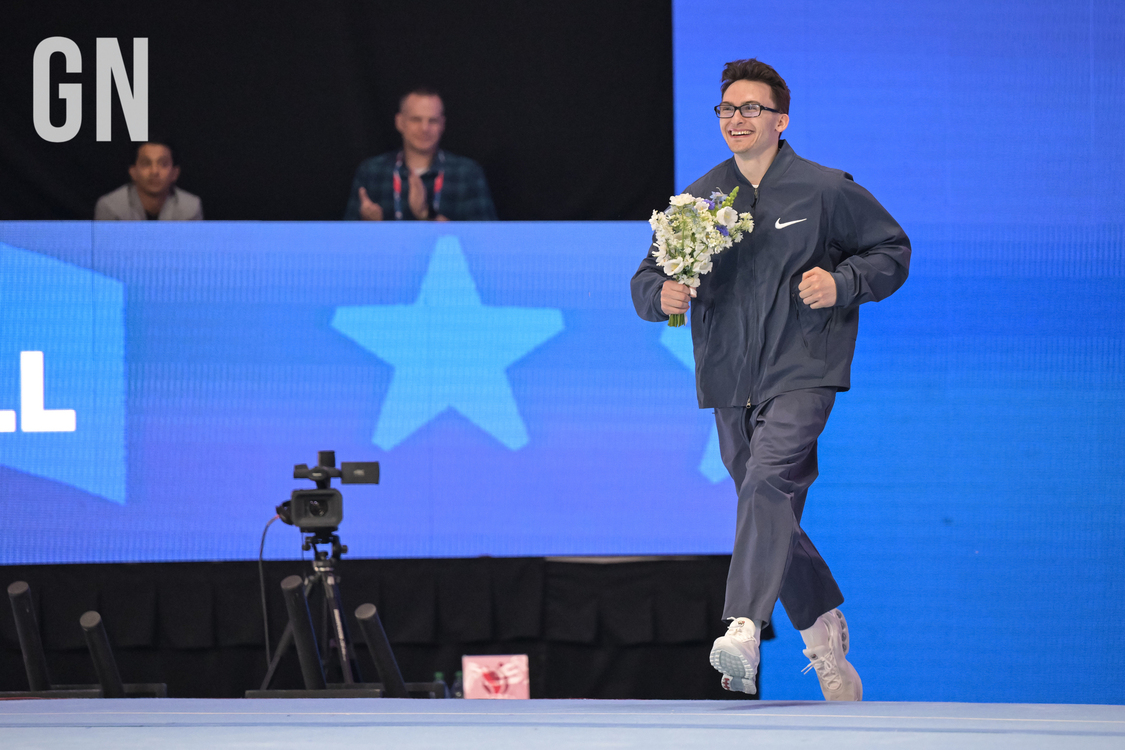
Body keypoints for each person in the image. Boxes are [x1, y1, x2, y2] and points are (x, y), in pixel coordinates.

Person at [630, 59, 910, 700]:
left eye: (751, 108)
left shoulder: (824, 188)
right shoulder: (698, 200)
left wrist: (842, 282)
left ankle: (743, 627)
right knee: (768, 506)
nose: (737, 119)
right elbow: (646, 278)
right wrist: (662, 294)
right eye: (728, 109)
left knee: (767, 482)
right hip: (729, 377)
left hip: (804, 368)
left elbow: (891, 250)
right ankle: (821, 632)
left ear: (780, 121)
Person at [344, 88, 496, 222]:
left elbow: (485, 244)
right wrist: (368, 227)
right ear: (399, 122)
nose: (424, 128)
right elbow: (344, 245)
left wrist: (426, 215)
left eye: (433, 120)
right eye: (416, 119)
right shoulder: (371, 172)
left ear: (442, 125)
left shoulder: (467, 173)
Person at [94, 140, 202, 220]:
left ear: (175, 173)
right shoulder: (110, 207)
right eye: (146, 163)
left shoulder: (191, 208)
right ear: (133, 172)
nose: (154, 171)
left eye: (163, 164)